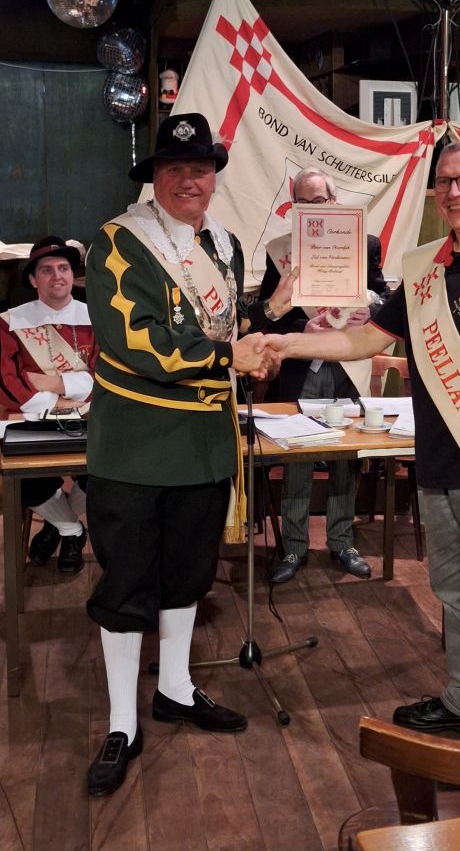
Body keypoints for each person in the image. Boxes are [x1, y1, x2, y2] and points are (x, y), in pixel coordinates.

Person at [264, 139, 460, 744]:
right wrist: (284, 343)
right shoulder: (428, 265)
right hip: (436, 463)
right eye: (445, 182)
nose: (455, 192)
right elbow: (366, 339)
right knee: (453, 594)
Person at [84, 113, 288, 797]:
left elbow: (228, 329)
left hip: (204, 443)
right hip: (137, 443)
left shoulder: (224, 246)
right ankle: (121, 723)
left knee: (187, 576)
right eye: (175, 170)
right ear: (155, 178)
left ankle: (174, 688)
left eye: (200, 169)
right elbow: (134, 341)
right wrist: (231, 356)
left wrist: (273, 315)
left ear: (214, 178)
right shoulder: (118, 242)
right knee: (126, 585)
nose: (189, 181)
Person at [249, 168, 389, 584]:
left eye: (319, 201)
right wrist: (302, 328)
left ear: (333, 202)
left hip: (348, 363)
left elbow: (382, 296)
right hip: (303, 364)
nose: (312, 208)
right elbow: (271, 313)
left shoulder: (364, 244)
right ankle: (294, 547)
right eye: (303, 202)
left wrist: (370, 310)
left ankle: (342, 542)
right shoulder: (281, 251)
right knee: (298, 456)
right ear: (293, 207)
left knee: (347, 456)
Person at [0, 235, 96, 573]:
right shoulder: (10, 322)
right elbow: (6, 380)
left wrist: (54, 383)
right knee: (25, 475)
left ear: (72, 274)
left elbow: (106, 373)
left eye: (63, 268)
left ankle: (58, 525)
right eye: (46, 270)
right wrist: (59, 398)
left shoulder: (97, 317)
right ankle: (71, 529)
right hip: (32, 414)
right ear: (32, 279)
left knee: (105, 467)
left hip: (90, 413)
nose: (57, 276)